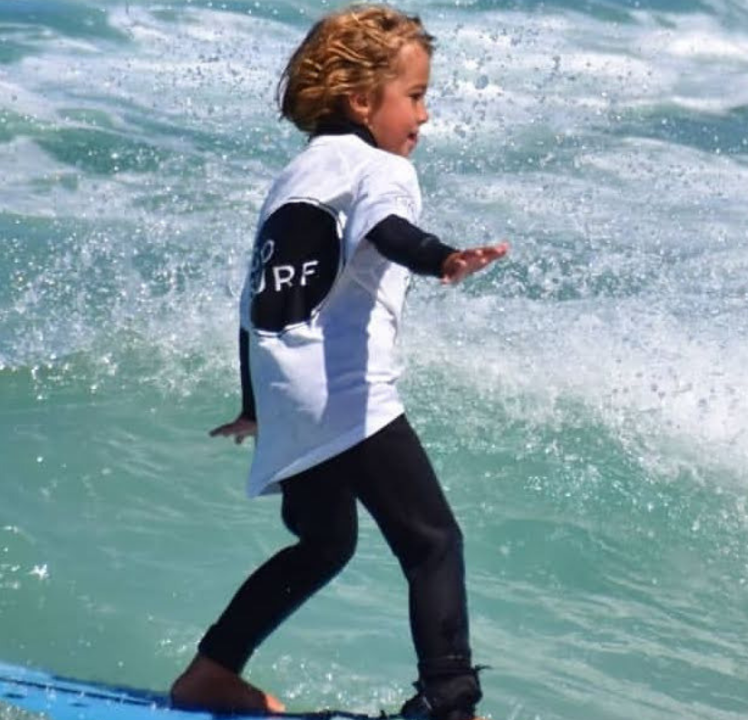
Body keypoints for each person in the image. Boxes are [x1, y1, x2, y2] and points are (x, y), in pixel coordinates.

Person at [168, 6, 507, 720]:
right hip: (345, 394)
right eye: (413, 96)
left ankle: (212, 671)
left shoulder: (297, 174)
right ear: (362, 101)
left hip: (284, 389)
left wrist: (257, 404)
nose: (425, 113)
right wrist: (441, 257)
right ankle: (450, 702)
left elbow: (257, 294)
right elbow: (387, 231)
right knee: (434, 543)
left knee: (324, 543)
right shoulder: (378, 168)